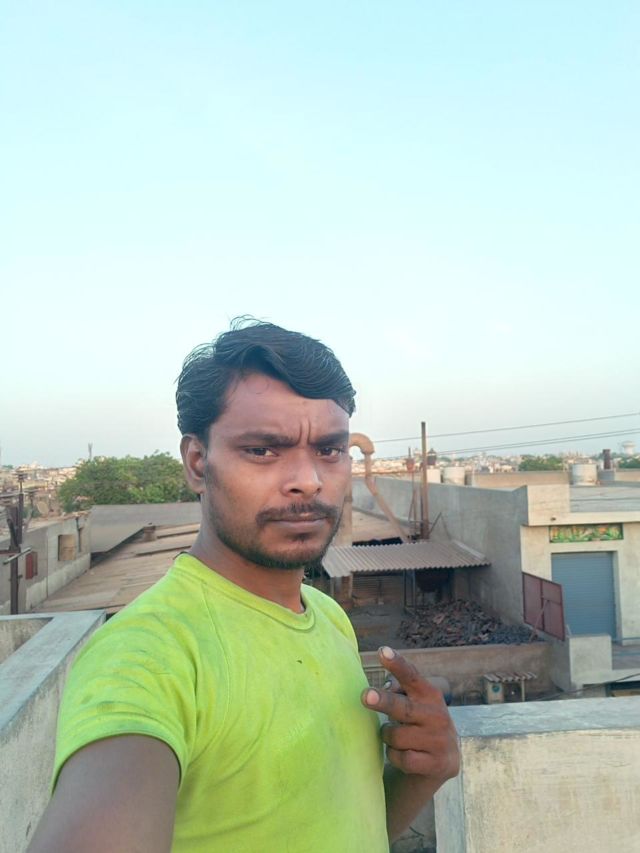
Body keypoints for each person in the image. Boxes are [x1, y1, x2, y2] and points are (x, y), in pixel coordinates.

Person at [28, 320, 459, 853]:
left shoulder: (326, 616)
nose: (308, 480)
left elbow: (342, 828)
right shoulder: (149, 654)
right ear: (197, 463)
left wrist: (422, 772)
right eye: (262, 450)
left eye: (329, 450)